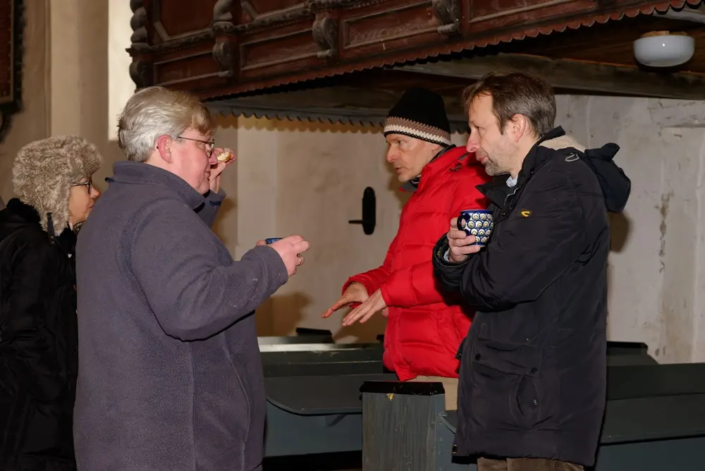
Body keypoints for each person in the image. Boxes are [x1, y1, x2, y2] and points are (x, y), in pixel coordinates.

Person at [73, 86, 310, 471]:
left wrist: (203, 202)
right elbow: (191, 309)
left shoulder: (119, 204)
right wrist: (268, 264)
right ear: (166, 146)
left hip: (124, 435)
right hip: (176, 444)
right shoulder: (159, 212)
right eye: (205, 143)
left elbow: (156, 271)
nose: (213, 155)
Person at [432, 72, 631, 470]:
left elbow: (496, 283)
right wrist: (453, 256)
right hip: (511, 405)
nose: (469, 145)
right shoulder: (518, 187)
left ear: (517, 125)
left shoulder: (562, 186)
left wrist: (469, 266)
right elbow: (463, 279)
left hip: (539, 413)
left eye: (478, 129)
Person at [323, 88, 490, 409]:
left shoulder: (468, 184)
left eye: (401, 143)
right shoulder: (420, 197)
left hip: (451, 365)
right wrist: (367, 285)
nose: (390, 156)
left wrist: (388, 293)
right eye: (389, 144)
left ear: (432, 142)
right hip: (415, 364)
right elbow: (394, 269)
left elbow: (464, 268)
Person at [0, 136, 102, 471]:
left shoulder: (30, 237)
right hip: (33, 426)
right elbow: (19, 331)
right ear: (56, 188)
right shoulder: (37, 247)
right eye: (85, 185)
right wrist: (57, 393)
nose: (95, 193)